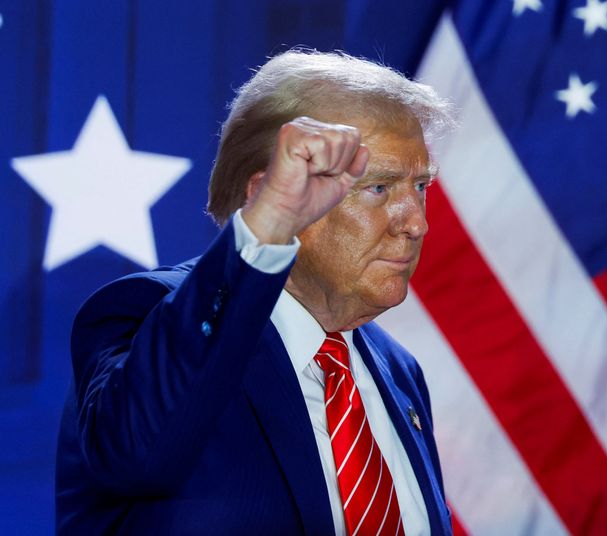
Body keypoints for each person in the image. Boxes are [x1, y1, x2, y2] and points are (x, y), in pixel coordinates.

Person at [55, 50, 454, 535]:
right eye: (379, 188)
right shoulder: (145, 317)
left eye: (421, 185)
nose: (417, 222)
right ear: (271, 192)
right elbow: (139, 456)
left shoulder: (398, 370)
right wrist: (269, 225)